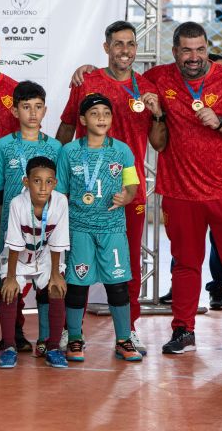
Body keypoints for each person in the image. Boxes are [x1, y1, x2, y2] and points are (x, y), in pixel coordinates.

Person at [57, 21, 166, 355]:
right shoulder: (87, 80)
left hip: (125, 194)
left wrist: (158, 114)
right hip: (82, 197)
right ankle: (70, 333)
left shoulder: (147, 87)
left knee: (127, 265)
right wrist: (50, 172)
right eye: (118, 44)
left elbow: (159, 145)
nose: (125, 50)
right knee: (77, 266)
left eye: (131, 44)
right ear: (106, 47)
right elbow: (65, 128)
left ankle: (127, 331)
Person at [141, 22, 222, 355]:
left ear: (207, 48)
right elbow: (122, 78)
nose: (194, 57)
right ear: (175, 51)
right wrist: (88, 70)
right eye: (186, 50)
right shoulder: (160, 77)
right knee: (185, 262)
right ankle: (183, 330)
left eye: (200, 49)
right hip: (180, 190)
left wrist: (221, 122)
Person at [56, 94, 142, 363]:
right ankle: (74, 338)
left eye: (106, 112)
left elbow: (133, 185)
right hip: (79, 227)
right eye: (95, 113)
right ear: (82, 120)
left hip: (112, 228)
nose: (102, 117)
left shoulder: (122, 150)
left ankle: (123, 339)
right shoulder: (69, 152)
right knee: (77, 285)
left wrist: (127, 197)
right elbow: (59, 192)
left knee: (117, 284)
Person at [0, 80, 62, 356]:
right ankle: (13, 335)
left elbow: (60, 189)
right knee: (12, 281)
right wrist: (3, 222)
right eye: (26, 107)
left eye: (38, 107)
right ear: (15, 110)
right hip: (12, 227)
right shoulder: (4, 146)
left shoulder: (55, 147)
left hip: (46, 228)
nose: (33, 113)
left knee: (45, 281)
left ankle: (45, 337)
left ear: (45, 111)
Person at [0, 156, 69, 368]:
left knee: (57, 288)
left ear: (55, 183)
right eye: (37, 181)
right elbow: (13, 244)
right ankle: (9, 347)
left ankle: (54, 348)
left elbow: (58, 242)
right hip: (18, 259)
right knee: (9, 291)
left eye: (49, 182)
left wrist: (56, 275)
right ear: (26, 182)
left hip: (46, 256)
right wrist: (11, 278)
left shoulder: (60, 201)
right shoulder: (17, 204)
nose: (43, 187)